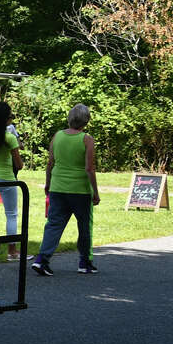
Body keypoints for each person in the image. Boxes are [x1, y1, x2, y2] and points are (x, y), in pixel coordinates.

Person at [31, 104, 101, 276]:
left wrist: (48, 183)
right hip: (80, 190)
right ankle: (84, 262)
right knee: (84, 226)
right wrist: (96, 192)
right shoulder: (87, 139)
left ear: (70, 118)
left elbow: (50, 163)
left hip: (58, 187)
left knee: (53, 225)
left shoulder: (58, 136)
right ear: (86, 120)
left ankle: (42, 259)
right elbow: (89, 168)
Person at [0, 101, 24, 260]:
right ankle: (12, 251)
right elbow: (19, 164)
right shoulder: (10, 137)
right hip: (7, 179)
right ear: (6, 119)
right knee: (11, 214)